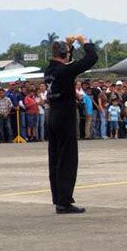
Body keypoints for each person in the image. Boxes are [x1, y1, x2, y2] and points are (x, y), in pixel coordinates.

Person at [45, 34, 98, 214]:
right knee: (67, 160)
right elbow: (91, 58)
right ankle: (65, 202)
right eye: (67, 52)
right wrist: (85, 42)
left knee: (55, 159)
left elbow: (66, 62)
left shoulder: (50, 71)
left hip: (52, 116)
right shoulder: (64, 71)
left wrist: (68, 45)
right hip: (65, 118)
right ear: (63, 54)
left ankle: (59, 198)